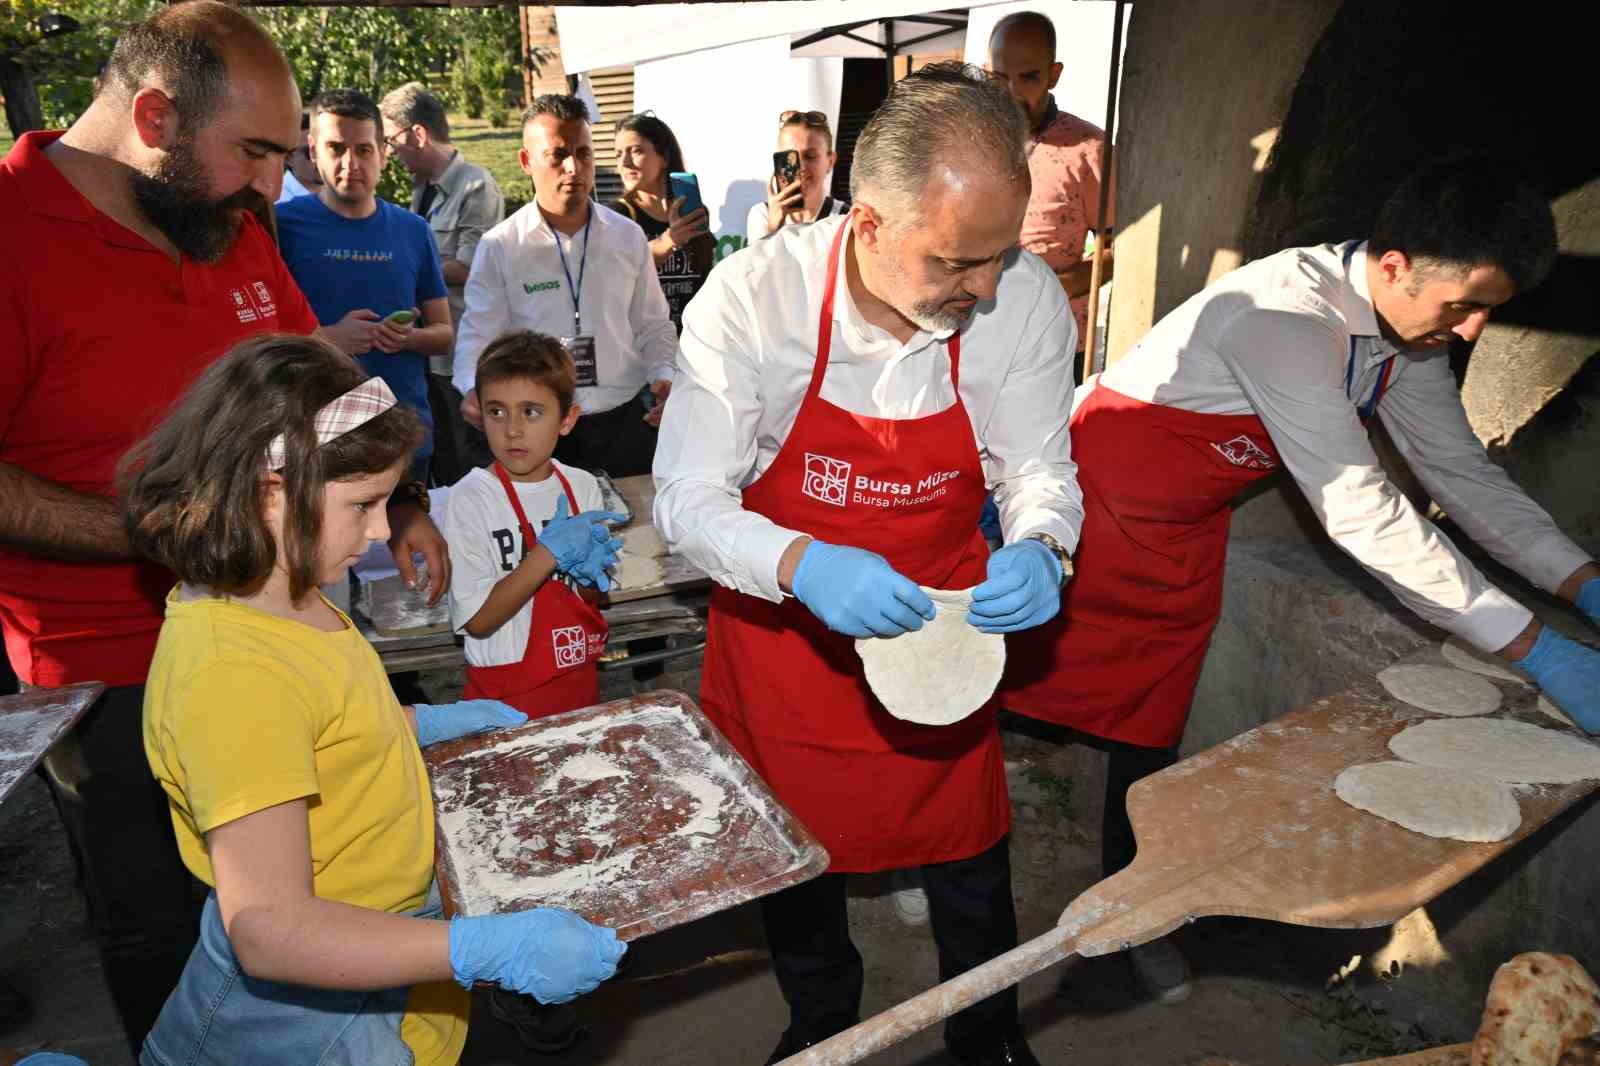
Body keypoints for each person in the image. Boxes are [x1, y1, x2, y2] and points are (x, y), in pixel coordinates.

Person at [1001, 159, 1600, 1003]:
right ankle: (951, 864)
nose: (1470, 331)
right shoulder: (1284, 316)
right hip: (1092, 507)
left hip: (1181, 535)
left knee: (1147, 737)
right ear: (1394, 266)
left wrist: (1581, 583)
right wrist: (1541, 649)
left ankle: (1135, 915)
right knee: (1006, 686)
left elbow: (1465, 480)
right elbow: (1364, 513)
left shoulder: (1407, 342)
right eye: (1462, 304)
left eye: (1487, 311)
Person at [0, 3, 446, 1054]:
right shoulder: (10, 235)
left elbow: (319, 385)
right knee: (175, 918)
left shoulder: (226, 221)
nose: (269, 187)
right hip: (106, 675)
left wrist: (401, 496)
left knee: (332, 868)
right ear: (153, 115)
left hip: (286, 615)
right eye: (253, 153)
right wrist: (168, 533)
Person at [655, 63, 1083, 1066]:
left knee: (971, 856)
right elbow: (686, 499)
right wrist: (804, 564)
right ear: (872, 224)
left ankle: (989, 1034)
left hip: (947, 629)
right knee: (797, 861)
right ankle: (821, 1021)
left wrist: (1041, 544)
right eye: (955, 262)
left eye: (1000, 256)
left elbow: (1037, 467)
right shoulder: (754, 303)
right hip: (787, 640)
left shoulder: (1017, 306)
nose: (984, 286)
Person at [125, 335, 626, 1066]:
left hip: (377, 946)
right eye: (362, 504)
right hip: (308, 1007)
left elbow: (311, 728)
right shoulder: (229, 672)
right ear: (270, 490)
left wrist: (416, 725)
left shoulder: (289, 596)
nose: (382, 530)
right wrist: (484, 946)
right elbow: (270, 927)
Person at [455, 94, 678, 478]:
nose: (574, 168)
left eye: (584, 153)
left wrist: (666, 376)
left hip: (624, 422)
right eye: (557, 155)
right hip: (540, 431)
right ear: (527, 161)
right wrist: (470, 389)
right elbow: (479, 334)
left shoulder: (627, 237)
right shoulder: (501, 246)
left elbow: (653, 324)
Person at [277, 88, 454, 484]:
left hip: (403, 439)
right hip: (317, 443)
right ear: (312, 150)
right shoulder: (280, 226)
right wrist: (326, 339)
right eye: (335, 148)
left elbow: (443, 334)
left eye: (364, 150)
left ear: (383, 154)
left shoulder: (413, 231)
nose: (349, 164)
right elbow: (254, 335)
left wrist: (409, 339)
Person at [381, 81, 507, 483]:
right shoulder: (423, 189)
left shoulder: (476, 187)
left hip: (462, 360)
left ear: (418, 134)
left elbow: (471, 268)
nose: (389, 152)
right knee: (442, 461)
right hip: (431, 357)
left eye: (391, 140)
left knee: (467, 465)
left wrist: (405, 261)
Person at [988, 10, 1114, 366]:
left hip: (1054, 348)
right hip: (978, 344)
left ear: (1053, 75)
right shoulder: (972, 143)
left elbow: (1123, 252)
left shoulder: (1089, 149)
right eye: (1001, 77)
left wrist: (1061, 286)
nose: (1012, 93)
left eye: (1028, 77)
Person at [611, 112, 714, 334]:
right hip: (645, 345)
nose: (624, 163)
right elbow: (620, 272)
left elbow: (707, 277)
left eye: (636, 151)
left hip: (693, 342)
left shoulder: (691, 210)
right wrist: (669, 241)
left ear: (664, 157)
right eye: (618, 154)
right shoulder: (618, 215)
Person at [746, 109, 848, 243]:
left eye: (810, 156)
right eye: (790, 158)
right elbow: (757, 263)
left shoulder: (844, 218)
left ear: (830, 162)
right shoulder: (762, 214)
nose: (801, 168)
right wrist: (772, 229)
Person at [276, 110, 320, 203]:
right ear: (288, 158)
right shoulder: (277, 200)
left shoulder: (344, 196)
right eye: (309, 152)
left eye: (323, 150)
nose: (319, 158)